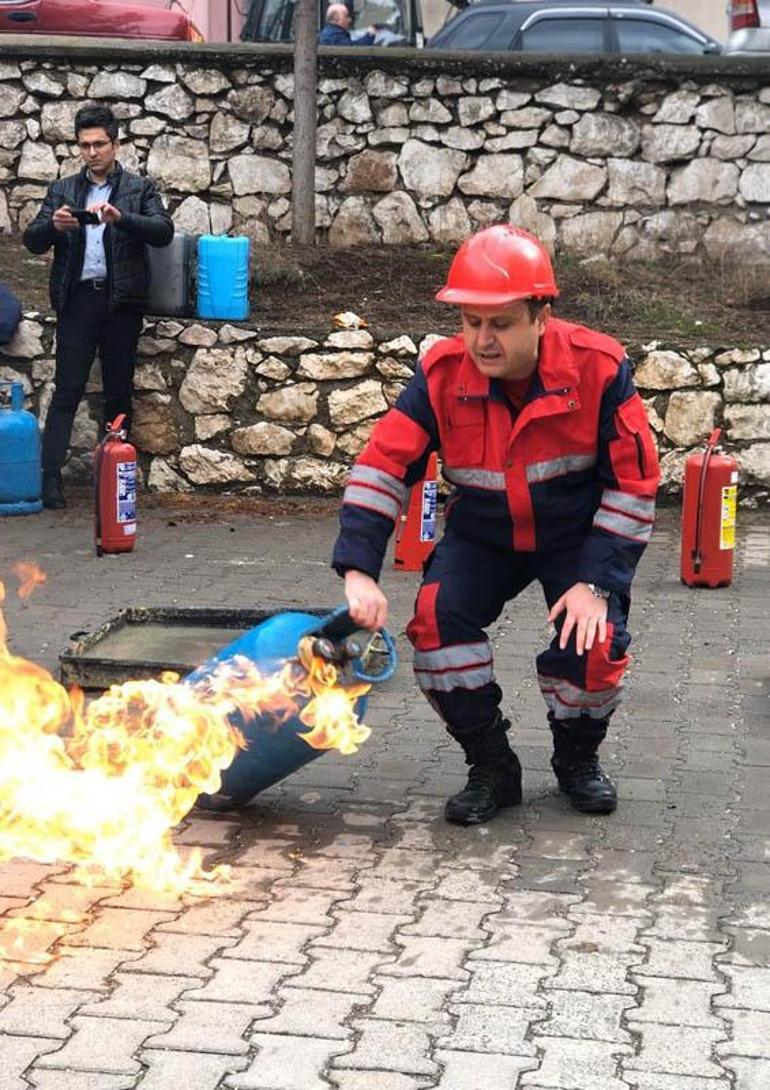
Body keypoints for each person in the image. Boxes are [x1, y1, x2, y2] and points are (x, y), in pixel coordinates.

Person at [332, 224, 660, 825]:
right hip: (485, 534)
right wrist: (358, 569)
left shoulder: (600, 367)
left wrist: (596, 584)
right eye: (470, 321)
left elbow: (634, 485)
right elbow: (383, 465)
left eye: (500, 323)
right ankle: (491, 766)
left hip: (575, 540)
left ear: (541, 315)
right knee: (435, 624)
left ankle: (577, 759)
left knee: (596, 645)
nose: (482, 340)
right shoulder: (439, 374)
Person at [22, 103, 173, 510]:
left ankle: (113, 479)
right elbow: (32, 240)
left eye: (99, 144)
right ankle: (49, 478)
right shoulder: (64, 190)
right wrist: (54, 226)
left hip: (121, 300)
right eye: (85, 145)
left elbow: (163, 232)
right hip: (78, 299)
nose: (92, 153)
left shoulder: (138, 188)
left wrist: (121, 218)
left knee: (118, 392)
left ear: (116, 144)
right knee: (67, 389)